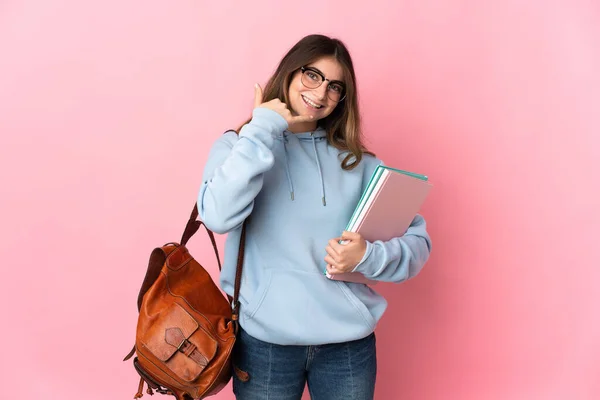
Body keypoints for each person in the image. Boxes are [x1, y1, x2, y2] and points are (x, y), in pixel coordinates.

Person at [197, 34, 431, 400]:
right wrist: (261, 129)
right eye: (312, 76)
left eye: (335, 86)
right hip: (264, 344)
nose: (321, 94)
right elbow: (217, 216)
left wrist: (367, 256)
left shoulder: (360, 163)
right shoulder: (239, 146)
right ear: (289, 73)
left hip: (347, 346)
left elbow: (417, 243)